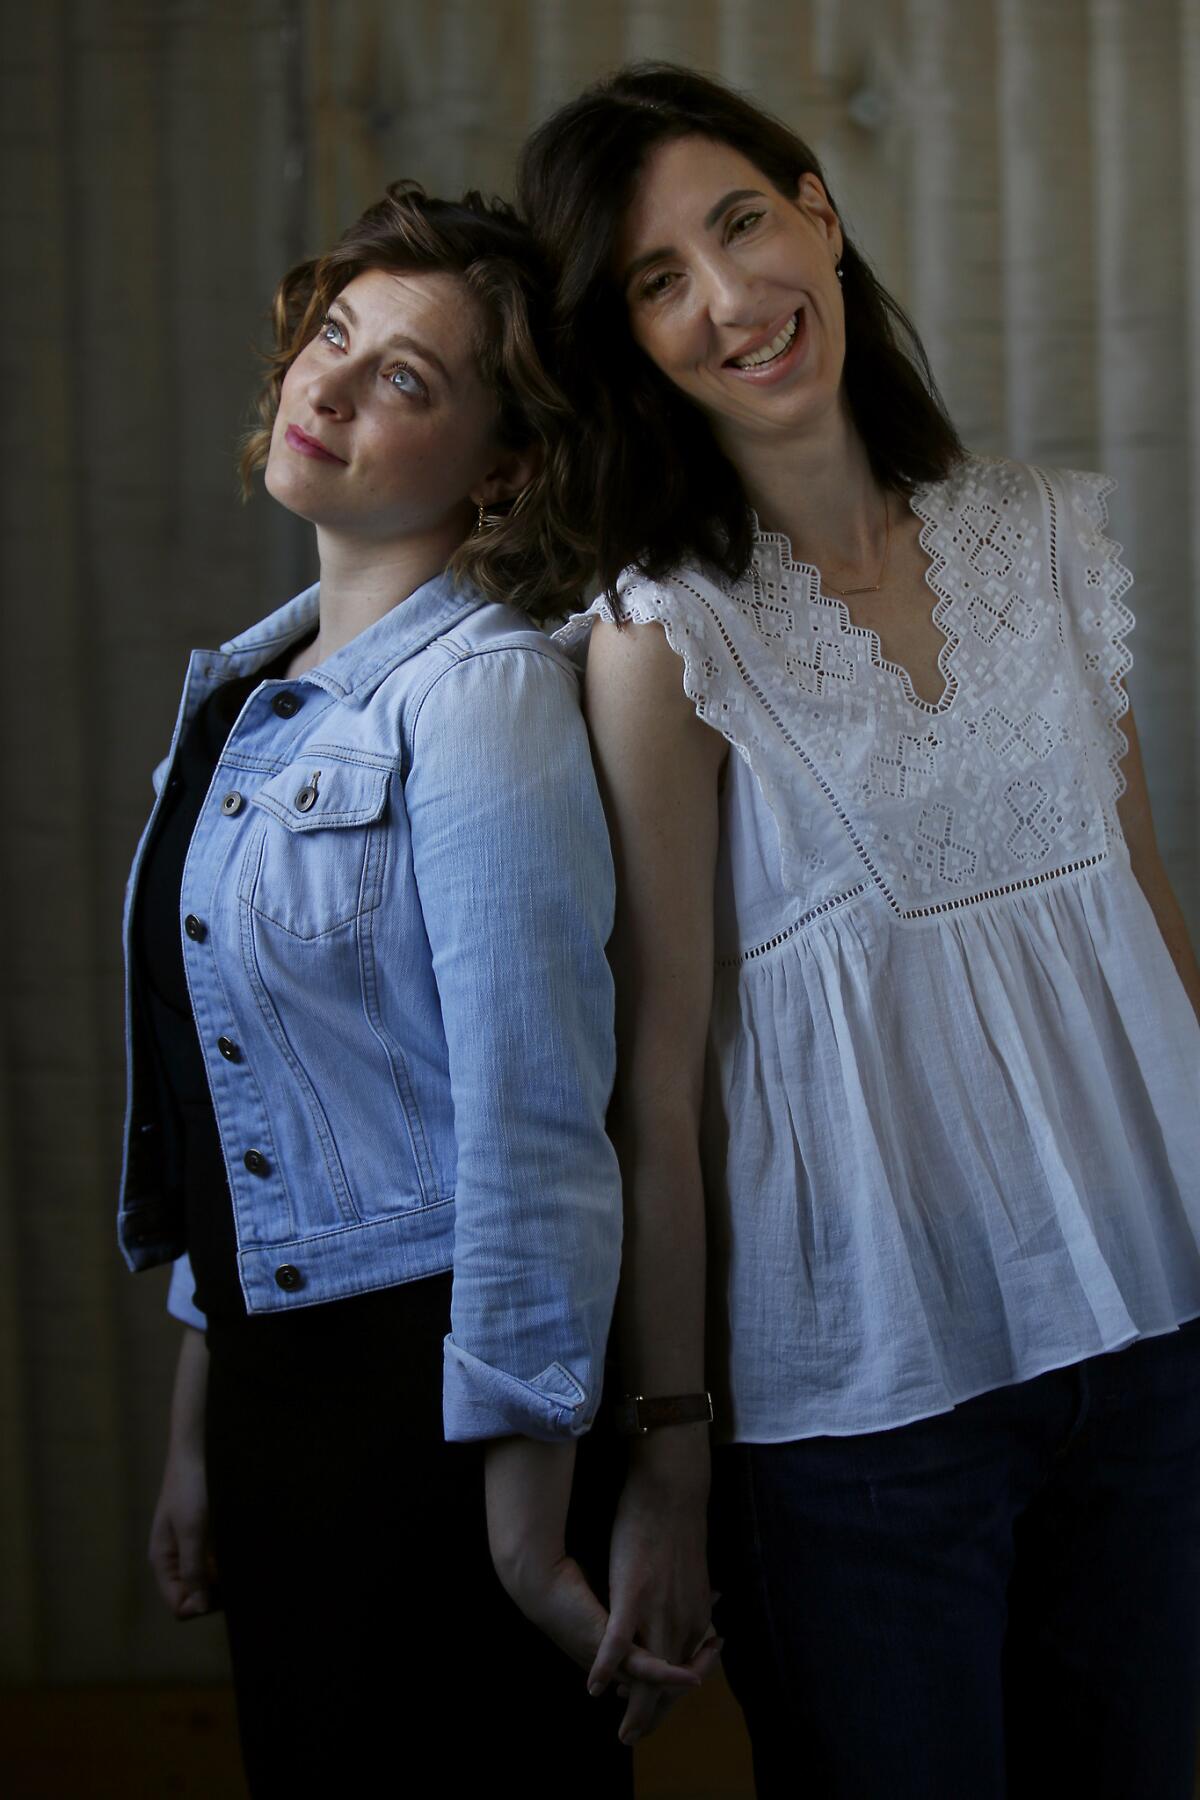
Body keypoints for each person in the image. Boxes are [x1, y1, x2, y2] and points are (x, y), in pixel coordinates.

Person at [517, 64, 1200, 1798]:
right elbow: (657, 1077)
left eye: (739, 222)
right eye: (659, 279)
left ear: (818, 207)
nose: (731, 300)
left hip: (1154, 1337)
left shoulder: (1042, 534)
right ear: (624, 341)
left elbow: (1146, 918)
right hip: (871, 1402)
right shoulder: (660, 634)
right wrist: (672, 1457)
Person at [118, 180, 700, 1795]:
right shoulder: (245, 698)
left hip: (434, 1406)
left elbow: (535, 1119)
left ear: (505, 466)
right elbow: (235, 1101)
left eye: (406, 380)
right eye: (333, 336)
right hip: (273, 1394)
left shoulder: (487, 698)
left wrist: (524, 1518)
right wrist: (196, 1435)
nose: (328, 385)